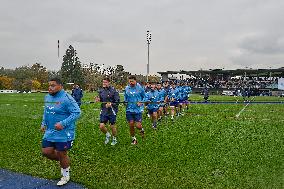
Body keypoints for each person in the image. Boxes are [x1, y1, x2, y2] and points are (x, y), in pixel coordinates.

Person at [41, 78, 81, 186]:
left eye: (53, 85)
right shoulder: (47, 97)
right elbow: (46, 111)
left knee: (61, 153)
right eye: (49, 85)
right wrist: (43, 123)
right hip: (50, 131)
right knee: (46, 152)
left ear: (60, 86)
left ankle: (65, 175)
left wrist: (63, 123)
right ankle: (65, 162)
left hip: (64, 132)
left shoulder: (67, 98)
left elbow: (77, 113)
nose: (50, 87)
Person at [95, 77, 120, 146]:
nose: (104, 84)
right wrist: (98, 99)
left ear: (109, 83)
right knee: (101, 126)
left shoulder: (114, 90)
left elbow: (117, 101)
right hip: (104, 110)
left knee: (112, 126)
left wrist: (111, 104)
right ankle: (108, 135)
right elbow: (100, 99)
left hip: (112, 111)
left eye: (105, 82)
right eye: (103, 82)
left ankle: (114, 139)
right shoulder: (101, 91)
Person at [124, 75, 146, 145]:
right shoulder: (127, 88)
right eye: (130, 81)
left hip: (138, 110)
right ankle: (134, 139)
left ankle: (141, 129)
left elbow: (145, 97)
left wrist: (141, 102)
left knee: (138, 126)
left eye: (132, 81)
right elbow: (125, 98)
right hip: (129, 109)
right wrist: (125, 102)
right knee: (131, 124)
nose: (131, 82)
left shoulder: (140, 88)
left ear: (135, 81)